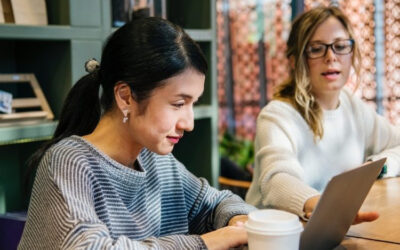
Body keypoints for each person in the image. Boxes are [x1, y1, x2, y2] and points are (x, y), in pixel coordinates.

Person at [19, 17, 255, 250]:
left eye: (193, 103)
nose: (189, 123)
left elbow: (217, 203)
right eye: (178, 104)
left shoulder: (157, 161)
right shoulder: (69, 163)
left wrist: (238, 223)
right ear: (125, 97)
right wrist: (205, 243)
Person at [246, 6, 400, 222]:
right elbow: (276, 180)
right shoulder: (277, 116)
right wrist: (322, 207)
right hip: (280, 236)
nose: (331, 57)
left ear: (351, 53)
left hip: (334, 229)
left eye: (340, 46)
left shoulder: (352, 106)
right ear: (295, 60)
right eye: (317, 49)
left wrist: (381, 166)